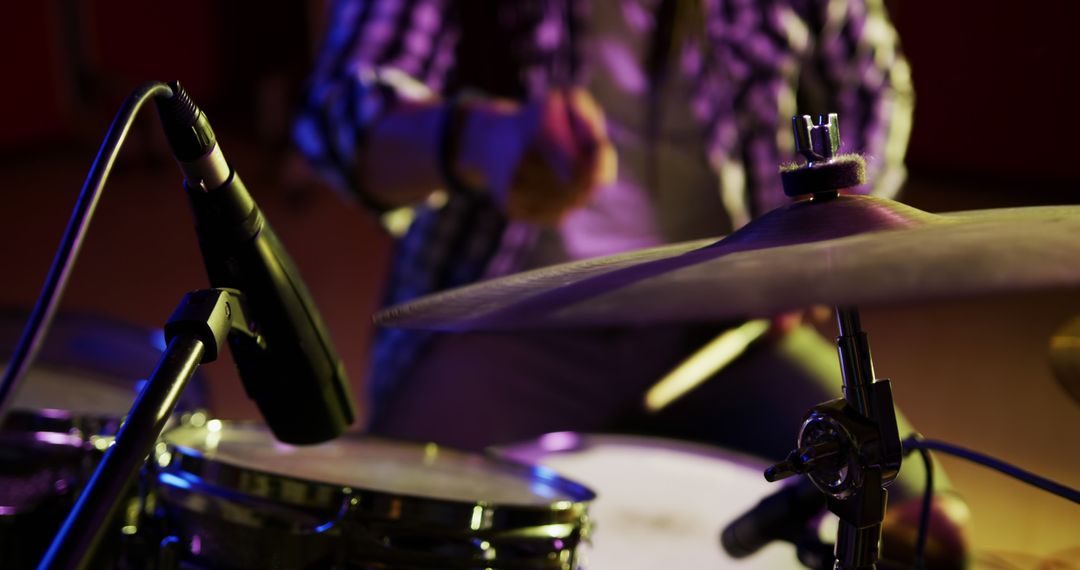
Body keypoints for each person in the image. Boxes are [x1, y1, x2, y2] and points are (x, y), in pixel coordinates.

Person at [294, 0, 967, 565]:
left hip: (727, 324)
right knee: (389, 534)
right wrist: (476, 139)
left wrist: (826, 219)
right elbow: (342, 112)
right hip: (516, 312)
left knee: (922, 530)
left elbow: (873, 82)